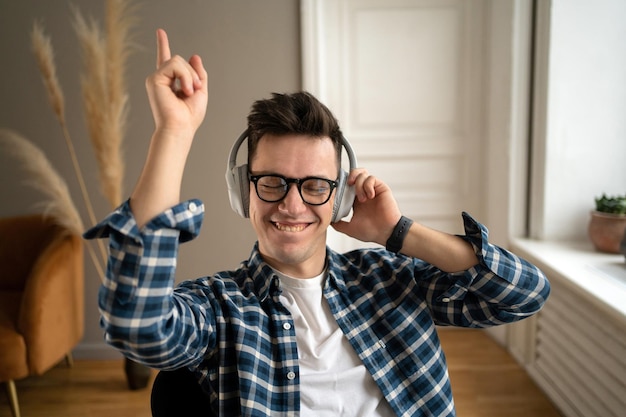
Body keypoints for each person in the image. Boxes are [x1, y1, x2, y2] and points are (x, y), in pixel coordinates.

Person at [85, 29, 550, 417]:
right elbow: (136, 325)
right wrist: (174, 131)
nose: (292, 204)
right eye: (272, 182)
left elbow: (524, 294)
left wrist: (398, 233)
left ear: (340, 196)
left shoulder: (390, 280)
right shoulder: (218, 309)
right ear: (243, 189)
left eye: (314, 186)